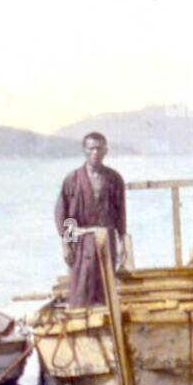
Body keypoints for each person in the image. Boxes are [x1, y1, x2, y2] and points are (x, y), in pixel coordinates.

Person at [54, 131, 127, 307]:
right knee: (81, 286)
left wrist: (122, 240)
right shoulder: (72, 179)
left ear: (106, 151)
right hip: (82, 241)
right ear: (84, 150)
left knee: (106, 286)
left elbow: (120, 213)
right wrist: (67, 243)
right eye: (91, 149)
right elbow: (66, 213)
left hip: (106, 239)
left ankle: (108, 325)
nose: (95, 153)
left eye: (99, 149)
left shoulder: (114, 179)